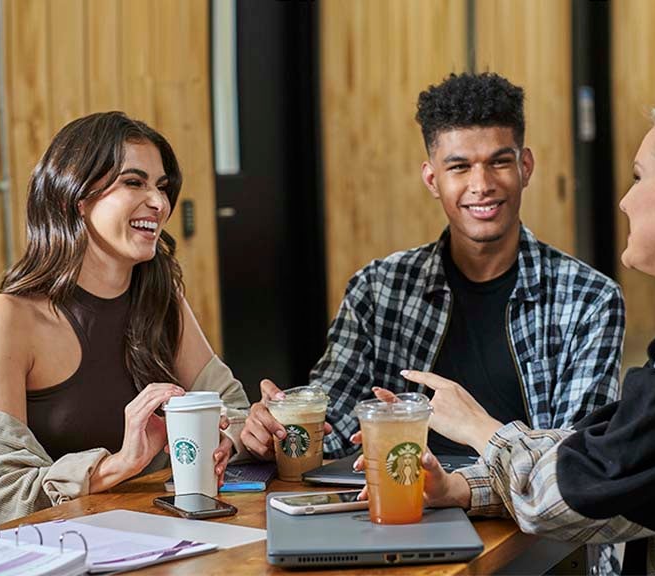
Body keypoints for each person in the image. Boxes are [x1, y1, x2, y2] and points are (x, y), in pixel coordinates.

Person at [386, 101, 655, 576]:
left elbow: (574, 494)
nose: (624, 200)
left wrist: (479, 428)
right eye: (459, 166)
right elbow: (597, 448)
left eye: (638, 178)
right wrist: (463, 486)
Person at [242, 72, 624, 461]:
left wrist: (464, 485)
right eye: (459, 167)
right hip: (396, 502)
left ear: (525, 167)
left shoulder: (587, 299)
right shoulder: (378, 289)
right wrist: (278, 429)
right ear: (432, 179)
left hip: (517, 511)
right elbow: (333, 425)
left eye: (499, 162)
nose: (482, 184)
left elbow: (577, 460)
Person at [0, 112, 250, 530]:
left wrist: (232, 437)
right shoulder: (5, 320)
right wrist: (119, 464)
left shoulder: (162, 298)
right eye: (134, 182)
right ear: (75, 198)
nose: (159, 203)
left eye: (162, 186)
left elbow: (231, 408)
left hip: (152, 537)